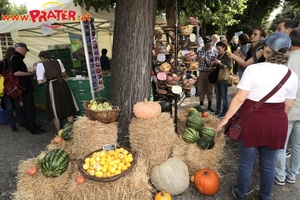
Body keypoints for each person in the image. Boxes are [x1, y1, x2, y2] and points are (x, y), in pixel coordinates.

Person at [217, 32, 298, 200]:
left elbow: (240, 99)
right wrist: (274, 118)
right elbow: (288, 106)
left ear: (267, 49)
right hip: (277, 123)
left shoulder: (253, 70)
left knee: (246, 162)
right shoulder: (292, 75)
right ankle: (265, 196)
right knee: (268, 164)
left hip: (251, 122)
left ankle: (241, 193)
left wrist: (225, 119)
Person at [275, 28, 300, 186]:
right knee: (297, 145)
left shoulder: (287, 59)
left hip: (287, 108)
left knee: (281, 145)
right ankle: (293, 174)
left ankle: (280, 175)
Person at [36, 51, 79, 132]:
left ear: (41, 58)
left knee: (55, 109)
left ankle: (59, 132)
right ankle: (72, 131)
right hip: (62, 84)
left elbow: (39, 81)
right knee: (68, 108)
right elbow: (64, 73)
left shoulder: (40, 65)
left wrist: (47, 78)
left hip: (53, 86)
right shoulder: (58, 61)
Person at [10, 43, 45, 134]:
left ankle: (30, 125)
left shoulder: (15, 57)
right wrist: (29, 73)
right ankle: (32, 128)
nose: (26, 53)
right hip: (24, 87)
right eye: (25, 50)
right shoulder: (16, 58)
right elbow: (16, 73)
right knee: (30, 107)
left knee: (28, 107)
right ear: (21, 49)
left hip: (24, 87)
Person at [0, 47, 25, 132]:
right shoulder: (13, 61)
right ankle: (21, 122)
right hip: (14, 86)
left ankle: (13, 125)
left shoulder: (2, 62)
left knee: (9, 107)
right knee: (16, 105)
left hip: (6, 87)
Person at [196, 36, 218, 112]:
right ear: (204, 44)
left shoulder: (215, 50)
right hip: (201, 72)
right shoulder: (199, 50)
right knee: (201, 90)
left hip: (210, 73)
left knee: (210, 90)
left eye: (209, 44)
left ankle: (210, 105)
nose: (208, 46)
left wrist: (214, 64)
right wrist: (199, 59)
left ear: (212, 42)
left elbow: (218, 61)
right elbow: (194, 60)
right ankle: (201, 105)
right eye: (206, 44)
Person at [211, 41, 233, 118]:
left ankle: (225, 111)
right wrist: (214, 63)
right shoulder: (218, 55)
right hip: (218, 78)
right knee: (218, 95)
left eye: (219, 49)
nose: (218, 50)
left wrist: (220, 64)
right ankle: (218, 110)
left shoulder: (227, 56)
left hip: (224, 78)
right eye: (217, 49)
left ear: (224, 48)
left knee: (224, 95)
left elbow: (229, 67)